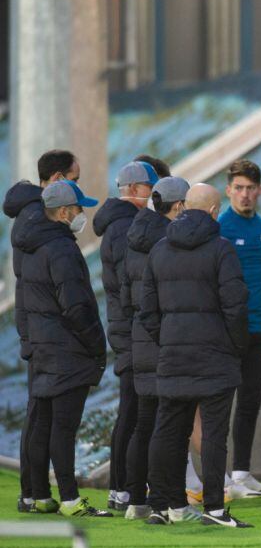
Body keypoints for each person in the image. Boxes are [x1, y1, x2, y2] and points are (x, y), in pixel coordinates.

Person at [141, 183, 253, 528]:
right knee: (215, 435)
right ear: (215, 211)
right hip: (215, 357)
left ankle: (163, 505)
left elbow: (146, 311)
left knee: (168, 432)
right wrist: (236, 346)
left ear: (182, 208)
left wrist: (169, 340)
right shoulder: (221, 250)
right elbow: (235, 307)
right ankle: (215, 510)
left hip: (173, 356)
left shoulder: (159, 250)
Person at [16, 179, 110, 517]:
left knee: (42, 425)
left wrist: (30, 342)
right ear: (64, 212)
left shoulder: (30, 247)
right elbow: (76, 306)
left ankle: (40, 495)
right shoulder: (62, 249)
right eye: (78, 207)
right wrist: (96, 344)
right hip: (67, 351)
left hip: (42, 348)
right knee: (63, 428)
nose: (81, 213)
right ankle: (70, 499)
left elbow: (24, 305)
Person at [4, 150, 82, 514]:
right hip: (49, 331)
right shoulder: (44, 224)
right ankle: (38, 493)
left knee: (38, 416)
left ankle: (32, 493)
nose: (77, 188)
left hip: (33, 327)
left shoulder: (26, 220)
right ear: (55, 179)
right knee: (44, 418)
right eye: (73, 178)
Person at [93, 161, 159, 513]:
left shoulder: (120, 224)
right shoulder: (125, 228)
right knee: (132, 410)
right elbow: (131, 284)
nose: (154, 194)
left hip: (127, 327)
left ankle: (122, 487)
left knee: (131, 410)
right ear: (134, 190)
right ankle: (122, 488)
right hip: (132, 329)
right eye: (151, 187)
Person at [121, 176, 188, 523]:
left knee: (143, 424)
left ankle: (137, 500)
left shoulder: (133, 238)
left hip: (139, 339)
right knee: (168, 427)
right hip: (163, 339)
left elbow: (125, 294)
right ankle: (167, 501)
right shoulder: (169, 241)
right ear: (177, 207)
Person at [218, 160, 261, 498]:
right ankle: (223, 476)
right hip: (228, 329)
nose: (244, 194)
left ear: (258, 191)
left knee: (251, 400)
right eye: (237, 188)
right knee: (221, 404)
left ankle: (242, 472)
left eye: (249, 189)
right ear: (229, 191)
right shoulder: (219, 228)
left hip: (259, 326)